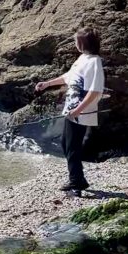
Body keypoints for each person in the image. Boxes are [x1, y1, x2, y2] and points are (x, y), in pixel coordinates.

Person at [34, 28, 105, 193]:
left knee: (72, 146)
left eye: (76, 41)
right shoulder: (82, 58)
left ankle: (76, 181)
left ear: (81, 43)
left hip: (81, 112)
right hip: (72, 110)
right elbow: (69, 76)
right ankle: (78, 179)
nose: (75, 44)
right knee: (66, 143)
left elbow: (95, 91)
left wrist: (79, 110)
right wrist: (47, 84)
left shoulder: (95, 62)